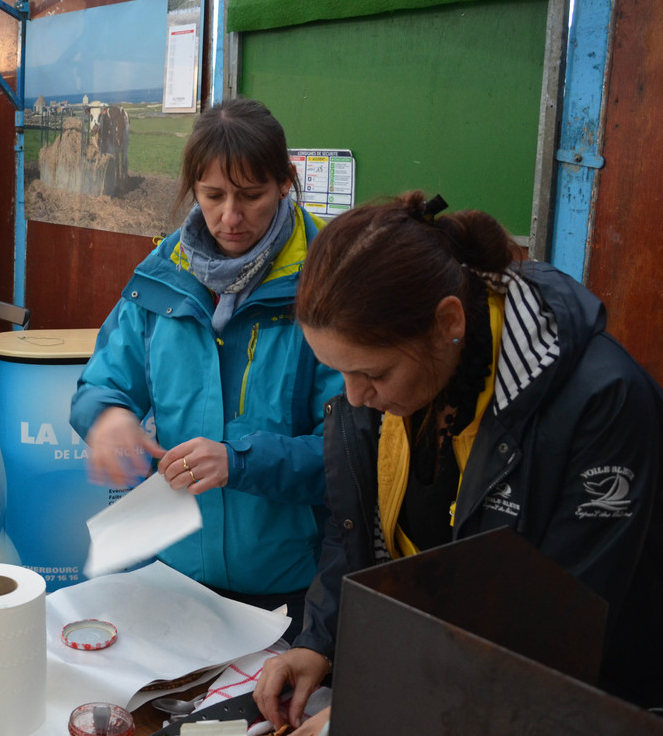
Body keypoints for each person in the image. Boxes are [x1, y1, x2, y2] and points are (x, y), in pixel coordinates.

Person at [254, 192, 663, 734]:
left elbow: (558, 629)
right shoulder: (392, 385)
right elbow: (355, 528)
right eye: (339, 371)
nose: (353, 397)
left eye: (372, 374)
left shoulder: (603, 404)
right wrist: (320, 641)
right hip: (437, 689)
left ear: (448, 321)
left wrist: (390, 708)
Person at [70, 97, 344, 640]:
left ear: (285, 183)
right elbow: (102, 380)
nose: (230, 217)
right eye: (213, 195)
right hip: (173, 577)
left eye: (251, 196)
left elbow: (351, 452)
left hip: (290, 589)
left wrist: (239, 462)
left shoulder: (328, 283)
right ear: (192, 188)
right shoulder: (162, 276)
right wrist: (107, 416)